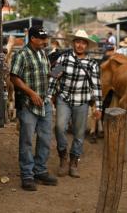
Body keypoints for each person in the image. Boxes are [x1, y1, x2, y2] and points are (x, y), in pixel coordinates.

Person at [48, 29, 102, 178]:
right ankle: (63, 159)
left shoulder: (92, 64)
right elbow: (53, 77)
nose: (80, 45)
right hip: (64, 99)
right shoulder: (63, 59)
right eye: (77, 42)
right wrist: (49, 95)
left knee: (79, 134)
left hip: (82, 102)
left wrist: (99, 106)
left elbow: (96, 86)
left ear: (87, 46)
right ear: (73, 43)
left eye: (83, 43)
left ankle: (74, 162)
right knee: (59, 128)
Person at [10, 26, 58, 191]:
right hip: (29, 104)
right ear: (32, 38)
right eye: (41, 38)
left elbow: (45, 74)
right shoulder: (21, 54)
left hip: (44, 103)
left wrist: (55, 73)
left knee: (45, 139)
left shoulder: (43, 53)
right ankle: (27, 175)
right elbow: (14, 77)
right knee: (27, 141)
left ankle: (40, 170)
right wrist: (31, 93)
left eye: (45, 38)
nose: (45, 41)